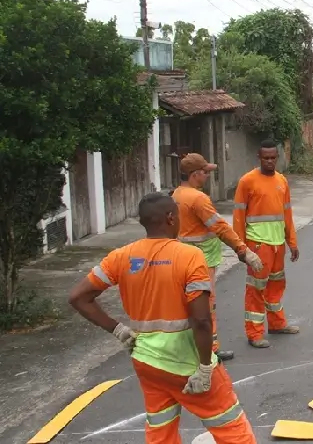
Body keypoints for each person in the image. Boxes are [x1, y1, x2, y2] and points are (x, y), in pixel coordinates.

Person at [68, 192, 257, 443]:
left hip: (147, 361)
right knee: (231, 428)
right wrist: (204, 367)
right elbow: (201, 320)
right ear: (170, 218)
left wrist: (118, 330)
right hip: (185, 362)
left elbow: (78, 297)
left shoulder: (120, 257)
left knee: (161, 429)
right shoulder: (189, 256)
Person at [171, 153, 264, 361]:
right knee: (206, 304)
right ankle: (210, 349)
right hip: (201, 260)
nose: (207, 176)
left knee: (188, 303)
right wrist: (243, 250)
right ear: (195, 174)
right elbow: (220, 227)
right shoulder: (198, 199)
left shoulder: (177, 194)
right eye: (204, 172)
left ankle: (190, 347)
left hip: (182, 257)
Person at [233, 140, 300, 348]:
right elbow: (238, 216)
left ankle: (278, 324)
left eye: (273, 158)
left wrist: (292, 242)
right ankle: (254, 334)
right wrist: (241, 248)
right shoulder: (247, 182)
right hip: (258, 246)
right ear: (259, 158)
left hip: (278, 244)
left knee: (276, 285)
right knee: (256, 290)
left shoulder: (282, 181)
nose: (270, 161)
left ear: (277, 157)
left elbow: (287, 214)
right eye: (266, 158)